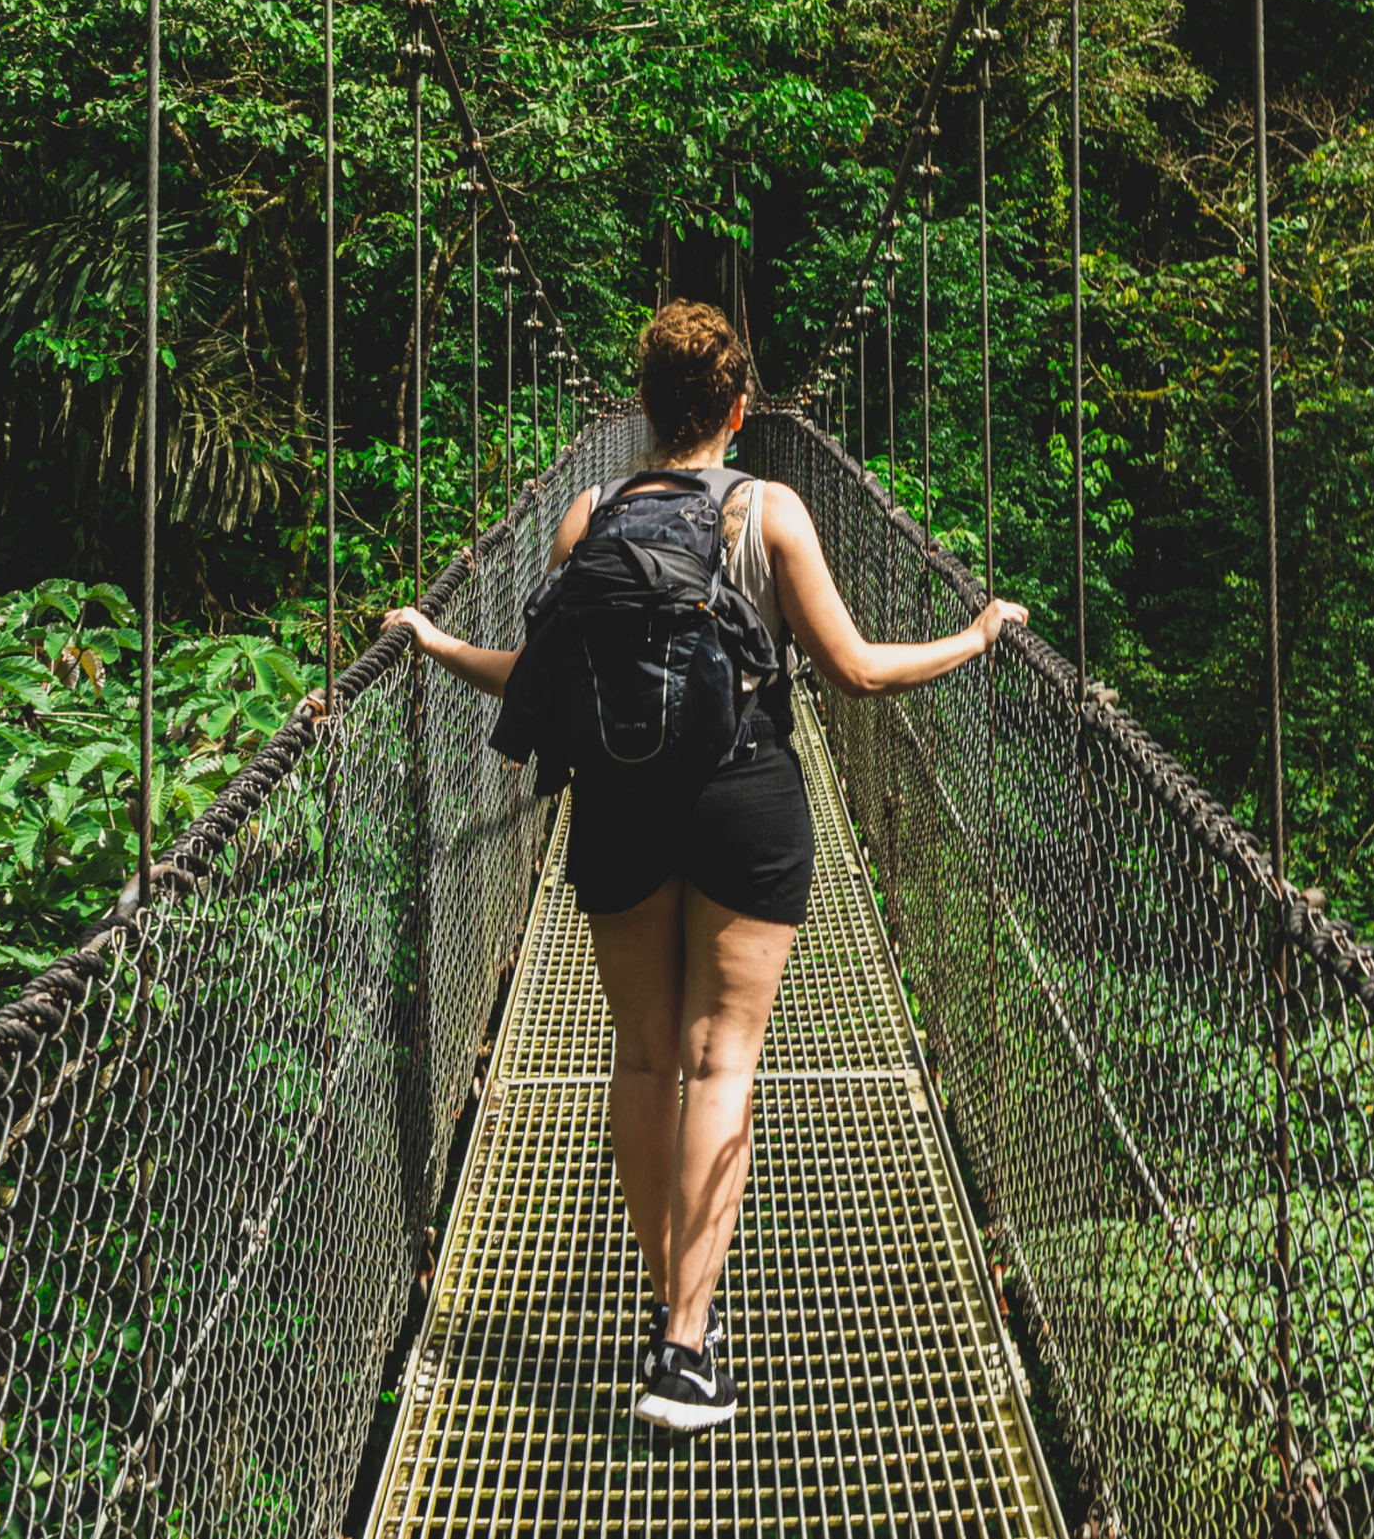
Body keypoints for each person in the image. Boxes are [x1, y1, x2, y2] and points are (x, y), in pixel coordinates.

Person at [394, 298, 1028, 1436]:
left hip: (617, 806)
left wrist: (440, 645)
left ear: (642, 409)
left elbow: (537, 682)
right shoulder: (768, 510)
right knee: (718, 1058)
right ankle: (685, 1348)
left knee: (642, 1063)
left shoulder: (588, 516)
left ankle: (671, 1310)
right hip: (745, 796)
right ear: (740, 409)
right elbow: (859, 675)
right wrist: (978, 637)